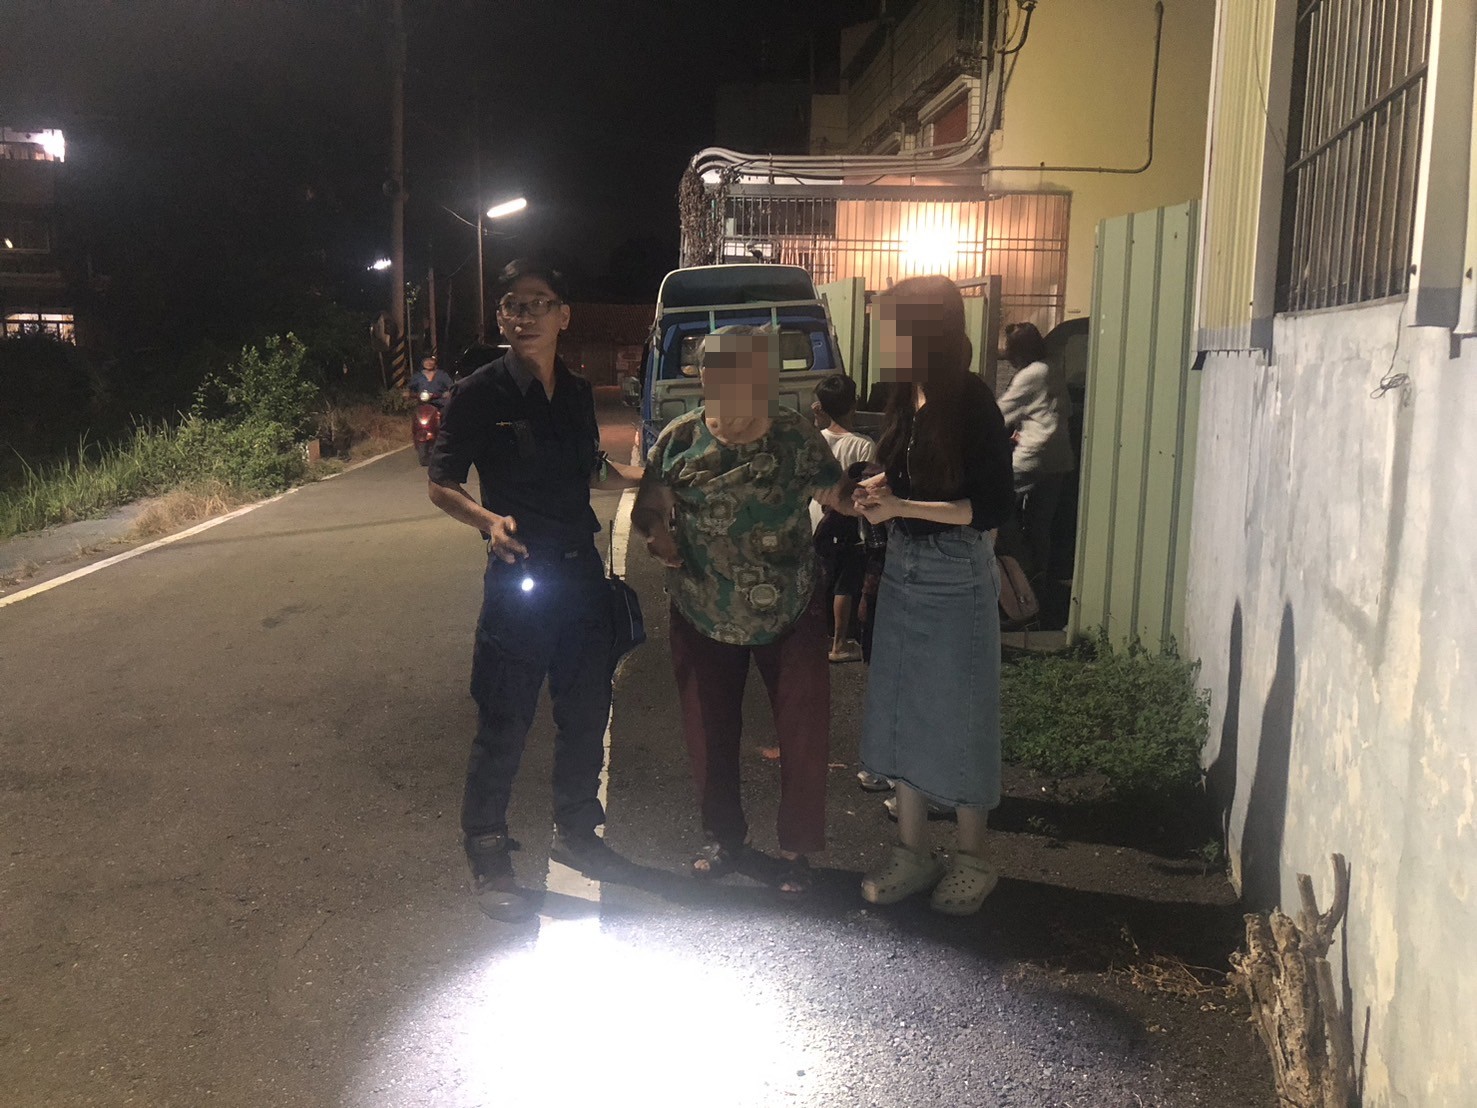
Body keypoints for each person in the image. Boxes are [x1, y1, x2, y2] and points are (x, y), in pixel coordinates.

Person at [427, 258, 645, 923]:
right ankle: (487, 847)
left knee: (586, 714)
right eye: (512, 306)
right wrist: (487, 521)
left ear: (563, 315)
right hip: (520, 577)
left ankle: (578, 832)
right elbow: (441, 483)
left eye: (538, 303)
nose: (524, 317)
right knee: (505, 720)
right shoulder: (477, 392)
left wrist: (651, 476)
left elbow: (591, 470)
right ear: (500, 318)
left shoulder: (576, 391)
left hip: (580, 577)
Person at [633, 326, 855, 895]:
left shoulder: (795, 435)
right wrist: (658, 537)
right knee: (709, 732)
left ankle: (797, 849)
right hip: (703, 608)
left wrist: (879, 495)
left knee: (803, 734)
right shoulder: (680, 440)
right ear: (706, 377)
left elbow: (837, 494)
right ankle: (723, 839)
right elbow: (649, 508)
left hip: (792, 607)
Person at [852, 275, 1015, 917]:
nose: (886, 336)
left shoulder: (972, 401)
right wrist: (877, 490)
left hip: (955, 572)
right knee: (901, 707)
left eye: (896, 324)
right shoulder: (906, 394)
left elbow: (989, 508)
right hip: (904, 567)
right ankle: (912, 850)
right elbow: (907, 477)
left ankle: (973, 858)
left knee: (962, 712)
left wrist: (900, 506)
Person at [995, 321, 1074, 583]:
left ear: (1018, 351)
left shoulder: (1029, 374)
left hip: (1033, 456)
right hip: (1059, 458)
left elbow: (999, 414)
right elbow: (1055, 411)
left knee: (998, 506)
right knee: (1040, 523)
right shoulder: (1052, 368)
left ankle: (1020, 564)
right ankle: (1039, 578)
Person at [809, 373, 876, 664]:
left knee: (822, 575)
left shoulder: (816, 439)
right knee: (845, 582)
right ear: (854, 403)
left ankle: (818, 638)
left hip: (817, 515)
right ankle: (839, 643)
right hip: (848, 516)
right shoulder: (863, 444)